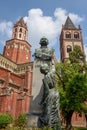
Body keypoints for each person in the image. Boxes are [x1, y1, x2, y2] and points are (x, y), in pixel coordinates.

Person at [39, 63, 61, 130]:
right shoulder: (51, 73)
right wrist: (52, 63)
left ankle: (49, 126)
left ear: (43, 71)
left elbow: (47, 91)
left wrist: (43, 100)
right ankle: (57, 126)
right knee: (56, 110)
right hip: (56, 93)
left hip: (51, 95)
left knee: (48, 112)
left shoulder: (45, 78)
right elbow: (54, 68)